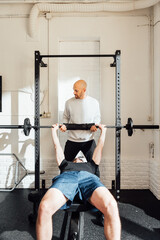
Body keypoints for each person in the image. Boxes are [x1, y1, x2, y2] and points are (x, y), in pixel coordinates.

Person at [36, 124, 121, 240]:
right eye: (76, 158)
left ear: (84, 160)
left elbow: (99, 147)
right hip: (66, 179)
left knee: (112, 205)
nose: (78, 158)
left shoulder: (91, 165)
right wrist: (54, 131)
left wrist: (103, 131)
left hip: (89, 179)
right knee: (44, 207)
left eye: (81, 158)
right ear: (73, 160)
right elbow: (57, 147)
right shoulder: (65, 164)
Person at [60, 79, 101, 167]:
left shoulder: (94, 103)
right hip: (72, 140)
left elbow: (97, 118)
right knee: (65, 166)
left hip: (88, 141)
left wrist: (96, 126)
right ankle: (64, 181)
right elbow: (65, 117)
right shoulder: (69, 102)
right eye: (73, 90)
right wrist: (64, 125)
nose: (74, 92)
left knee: (94, 167)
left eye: (76, 90)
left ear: (84, 90)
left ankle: (95, 181)